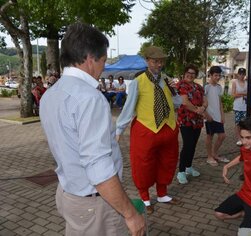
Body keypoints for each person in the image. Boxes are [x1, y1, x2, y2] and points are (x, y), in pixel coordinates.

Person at [39, 22, 145, 236]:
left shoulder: (51, 93)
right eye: (103, 61)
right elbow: (98, 167)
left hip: (69, 194)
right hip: (94, 204)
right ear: (90, 59)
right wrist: (130, 214)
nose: (103, 67)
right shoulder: (89, 98)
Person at [116, 46, 182, 214]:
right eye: (155, 61)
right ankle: (145, 197)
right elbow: (129, 107)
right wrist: (118, 130)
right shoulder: (138, 81)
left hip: (168, 128)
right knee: (143, 164)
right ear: (147, 61)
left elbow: (176, 104)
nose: (159, 64)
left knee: (167, 162)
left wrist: (176, 91)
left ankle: (162, 194)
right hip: (146, 129)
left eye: (161, 61)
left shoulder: (166, 79)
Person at [176, 64, 207, 184]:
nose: (190, 75)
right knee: (187, 145)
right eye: (188, 73)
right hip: (186, 120)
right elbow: (184, 102)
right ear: (184, 73)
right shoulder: (181, 85)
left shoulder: (198, 86)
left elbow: (205, 100)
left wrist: (203, 107)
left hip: (197, 120)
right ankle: (181, 171)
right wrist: (198, 110)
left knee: (193, 145)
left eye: (193, 73)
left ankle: (189, 167)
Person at [205, 66, 227, 167]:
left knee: (222, 136)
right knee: (210, 136)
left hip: (218, 116)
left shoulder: (219, 87)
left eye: (219, 75)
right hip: (209, 116)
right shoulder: (206, 87)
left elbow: (220, 102)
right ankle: (209, 156)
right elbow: (203, 102)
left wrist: (222, 115)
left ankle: (214, 153)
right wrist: (206, 115)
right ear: (211, 75)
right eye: (215, 75)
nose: (217, 77)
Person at [232, 68, 247, 146]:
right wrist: (243, 94)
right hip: (237, 106)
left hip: (245, 106)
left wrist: (240, 93)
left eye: (243, 74)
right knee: (237, 123)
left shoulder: (247, 83)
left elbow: (249, 94)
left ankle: (244, 138)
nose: (241, 76)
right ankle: (239, 138)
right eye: (240, 74)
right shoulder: (235, 82)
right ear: (238, 74)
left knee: (245, 123)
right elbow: (233, 94)